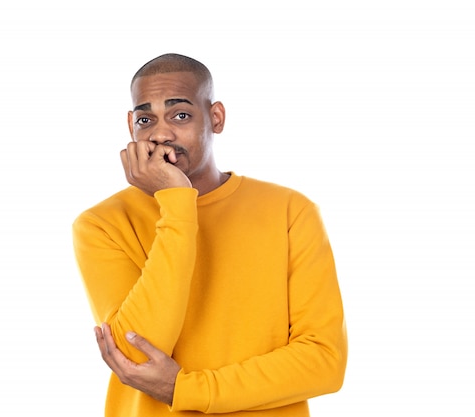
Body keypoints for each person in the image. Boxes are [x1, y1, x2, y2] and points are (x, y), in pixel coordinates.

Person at [72, 53, 347, 416]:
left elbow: (324, 361)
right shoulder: (102, 223)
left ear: (215, 117)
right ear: (130, 126)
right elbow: (136, 355)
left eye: (180, 115)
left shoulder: (289, 210)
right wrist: (177, 203)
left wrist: (187, 390)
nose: (161, 133)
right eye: (145, 119)